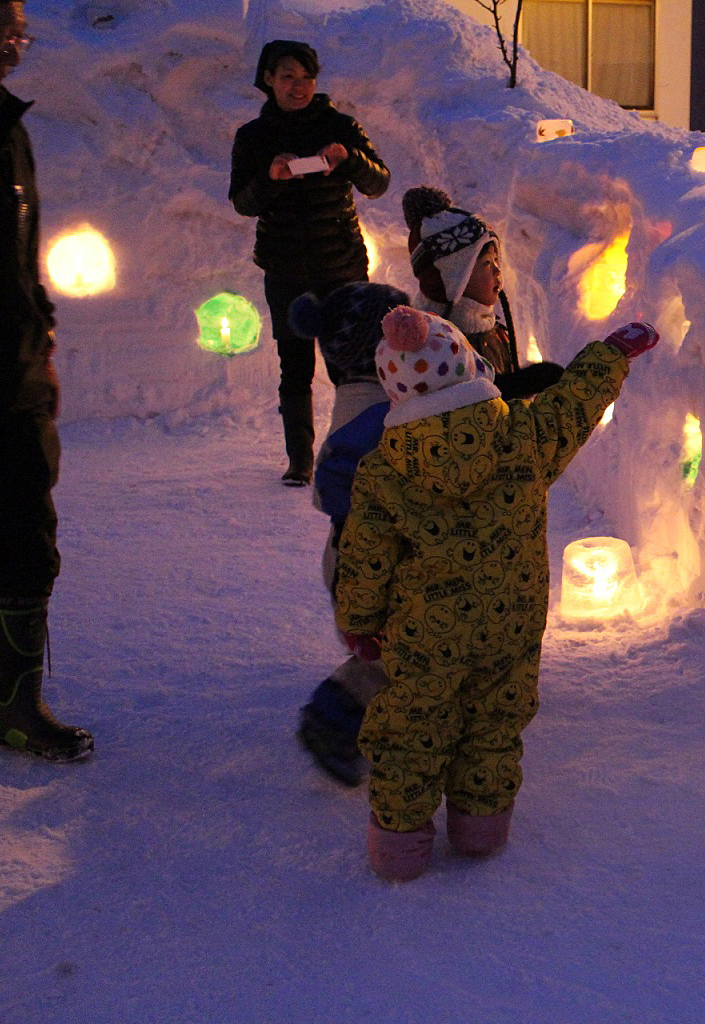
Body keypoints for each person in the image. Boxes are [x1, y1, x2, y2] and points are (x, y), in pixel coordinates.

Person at [335, 307, 658, 881]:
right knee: (495, 720)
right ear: (470, 364)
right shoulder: (523, 437)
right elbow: (574, 402)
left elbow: (366, 557)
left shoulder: (385, 471)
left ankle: (400, 842)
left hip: (422, 636)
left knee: (414, 725)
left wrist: (359, 622)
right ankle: (480, 827)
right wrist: (611, 353)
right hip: (510, 624)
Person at [229, 39, 391, 486]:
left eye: (306, 78)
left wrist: (348, 158)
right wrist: (270, 177)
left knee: (351, 367)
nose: (298, 87)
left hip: (341, 267)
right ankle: (300, 460)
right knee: (294, 364)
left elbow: (379, 182)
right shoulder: (253, 137)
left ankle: (355, 453)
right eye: (287, 77)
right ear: (267, 79)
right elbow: (242, 202)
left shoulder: (340, 126)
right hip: (284, 270)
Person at [0, 0, 92, 762]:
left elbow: (22, 262)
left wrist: (44, 340)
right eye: (3, 26)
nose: (15, 40)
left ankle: (14, 701)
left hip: (16, 372)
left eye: (20, 28)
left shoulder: (11, 129)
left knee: (28, 536)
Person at [287, 282, 409, 787]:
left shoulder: (360, 398)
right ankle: (334, 719)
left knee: (394, 655)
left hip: (350, 559)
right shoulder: (378, 414)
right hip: (371, 566)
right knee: (397, 656)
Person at [400, 185, 563, 400]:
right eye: (486, 263)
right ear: (453, 277)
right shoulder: (435, 343)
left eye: (497, 260)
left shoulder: (492, 330)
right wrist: (517, 385)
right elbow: (463, 407)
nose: (497, 270)